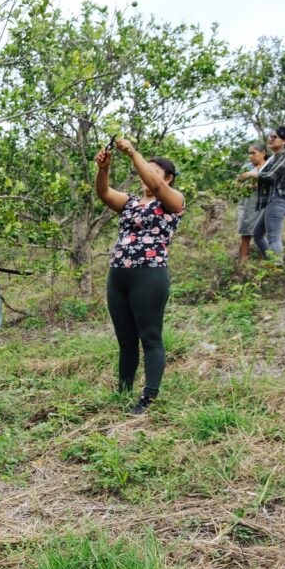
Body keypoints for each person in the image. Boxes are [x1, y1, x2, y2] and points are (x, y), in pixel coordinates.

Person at [94, 139, 185, 415]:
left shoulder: (173, 200)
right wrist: (104, 169)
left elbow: (156, 187)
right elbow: (103, 193)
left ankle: (149, 396)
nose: (146, 175)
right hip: (118, 275)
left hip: (149, 275)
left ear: (168, 178)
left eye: (153, 170)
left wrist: (134, 153)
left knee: (150, 337)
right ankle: (123, 391)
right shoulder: (131, 202)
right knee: (125, 339)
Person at [238, 126, 285, 266]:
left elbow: (270, 177)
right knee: (257, 234)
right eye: (270, 136)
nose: (271, 139)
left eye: (275, 137)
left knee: (273, 237)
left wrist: (251, 174)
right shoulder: (274, 158)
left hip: (279, 199)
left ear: (284, 141)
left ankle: (276, 266)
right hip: (271, 200)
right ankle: (271, 262)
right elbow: (279, 179)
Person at [236, 144, 268, 263]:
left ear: (263, 153)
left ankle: (262, 265)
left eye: (253, 153)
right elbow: (237, 183)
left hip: (265, 205)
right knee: (245, 235)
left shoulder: (270, 167)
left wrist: (258, 185)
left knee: (263, 235)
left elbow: (274, 182)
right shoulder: (247, 167)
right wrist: (244, 185)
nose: (251, 156)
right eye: (249, 153)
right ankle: (243, 264)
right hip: (247, 206)